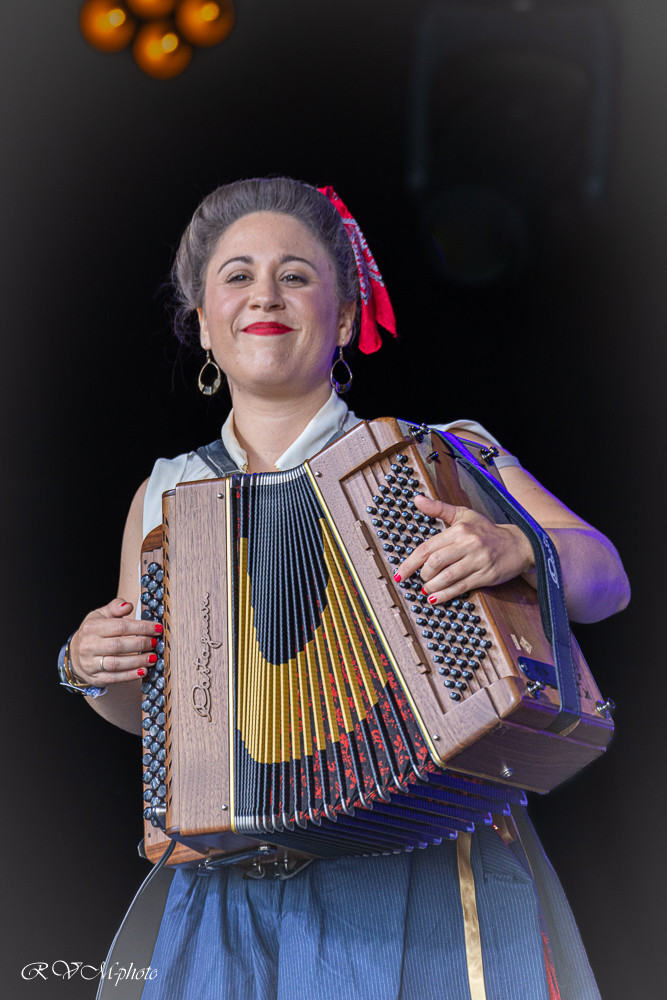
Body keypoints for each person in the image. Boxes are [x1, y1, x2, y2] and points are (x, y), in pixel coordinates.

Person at [59, 178, 630, 1000]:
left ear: (347, 317)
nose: (265, 294)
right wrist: (92, 668)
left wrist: (514, 543)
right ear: (203, 323)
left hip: (427, 874)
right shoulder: (166, 494)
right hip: (235, 895)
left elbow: (605, 579)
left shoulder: (441, 453)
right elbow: (157, 717)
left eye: (295, 275)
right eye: (237, 275)